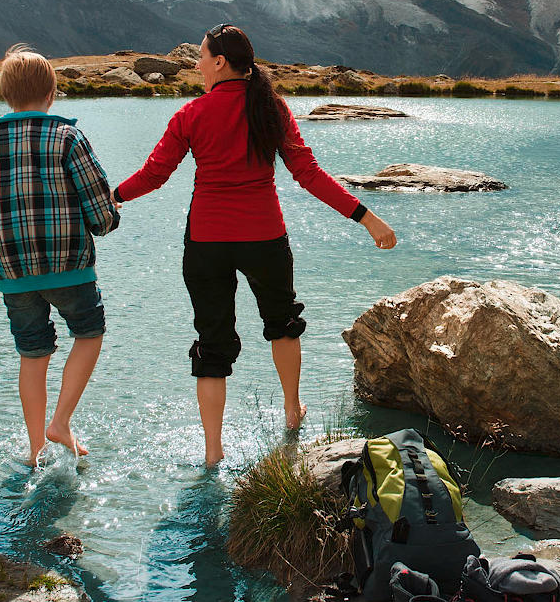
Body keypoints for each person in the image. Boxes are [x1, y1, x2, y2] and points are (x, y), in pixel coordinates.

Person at [113, 25, 396, 466]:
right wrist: (367, 218)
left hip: (206, 241)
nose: (197, 63)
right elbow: (309, 174)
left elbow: (153, 176)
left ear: (220, 62)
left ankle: (212, 450)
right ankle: (291, 410)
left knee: (211, 341)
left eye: (202, 56)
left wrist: (110, 198)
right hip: (264, 237)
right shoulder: (272, 107)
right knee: (282, 322)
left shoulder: (191, 114)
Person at [0, 46, 120, 466]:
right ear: (52, 93)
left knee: (32, 353)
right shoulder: (68, 136)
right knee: (89, 333)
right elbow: (100, 212)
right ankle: (60, 422)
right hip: (70, 269)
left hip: (12, 274)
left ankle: (35, 448)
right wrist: (107, 222)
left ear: (6, 95)